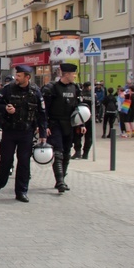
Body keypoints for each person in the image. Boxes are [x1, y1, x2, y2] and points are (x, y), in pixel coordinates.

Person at [0, 65, 47, 203]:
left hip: (26, 132)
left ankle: (21, 191)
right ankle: (0, 183)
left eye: (19, 75)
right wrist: (5, 108)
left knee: (24, 163)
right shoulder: (7, 90)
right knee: (6, 160)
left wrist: (43, 133)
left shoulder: (35, 92)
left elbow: (42, 113)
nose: (17, 77)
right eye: (16, 75)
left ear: (27, 77)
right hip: (9, 131)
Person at [41, 63, 83, 193]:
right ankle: (59, 181)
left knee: (66, 153)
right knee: (58, 153)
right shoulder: (52, 88)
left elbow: (78, 107)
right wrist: (45, 126)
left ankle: (62, 179)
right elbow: (44, 109)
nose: (75, 76)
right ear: (67, 74)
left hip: (69, 124)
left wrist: (81, 124)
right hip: (55, 124)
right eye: (73, 74)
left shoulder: (75, 88)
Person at [72, 82, 94, 159]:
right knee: (89, 137)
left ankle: (78, 152)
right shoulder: (93, 95)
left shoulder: (80, 95)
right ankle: (86, 153)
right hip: (90, 117)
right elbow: (97, 105)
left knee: (77, 136)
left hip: (80, 117)